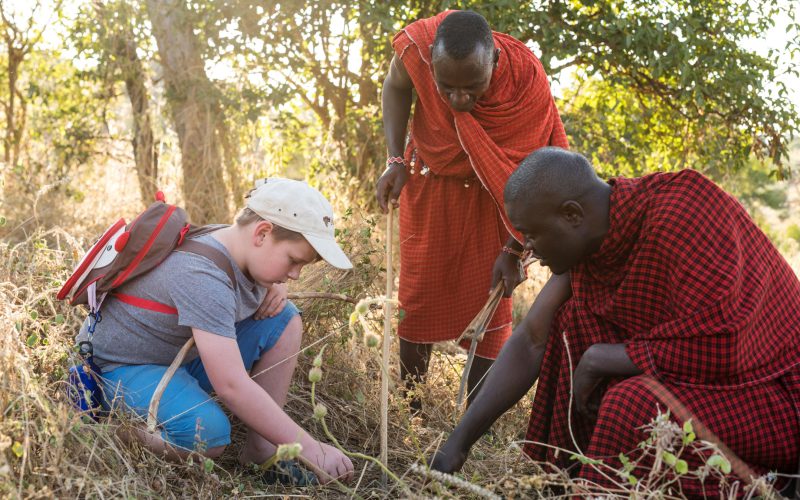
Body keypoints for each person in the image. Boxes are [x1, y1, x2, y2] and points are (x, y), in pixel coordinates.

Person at [431, 148, 800, 496]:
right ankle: (571, 478)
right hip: (710, 391)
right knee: (570, 327)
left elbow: (726, 344)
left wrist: (599, 359)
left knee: (633, 404)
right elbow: (532, 337)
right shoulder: (593, 235)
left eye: (532, 233)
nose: (526, 249)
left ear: (572, 215)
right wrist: (456, 446)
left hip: (777, 398)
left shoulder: (687, 209)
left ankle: (765, 483)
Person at [78, 178, 355, 485]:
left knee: (284, 320)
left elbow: (257, 273)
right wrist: (310, 448)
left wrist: (278, 281)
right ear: (262, 232)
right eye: (293, 261)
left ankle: (261, 449)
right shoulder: (202, 274)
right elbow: (231, 386)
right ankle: (109, 430)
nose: (295, 274)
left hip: (174, 354)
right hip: (120, 368)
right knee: (208, 436)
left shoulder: (233, 240)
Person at [375, 10, 568, 408]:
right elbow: (395, 86)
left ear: (494, 60)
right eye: (447, 88)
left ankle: (475, 416)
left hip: (493, 199)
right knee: (417, 297)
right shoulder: (417, 48)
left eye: (473, 87)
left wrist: (515, 248)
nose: (459, 100)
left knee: (492, 298)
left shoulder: (526, 80)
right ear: (432, 62)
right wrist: (395, 160)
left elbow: (530, 172)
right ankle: (410, 408)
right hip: (429, 184)